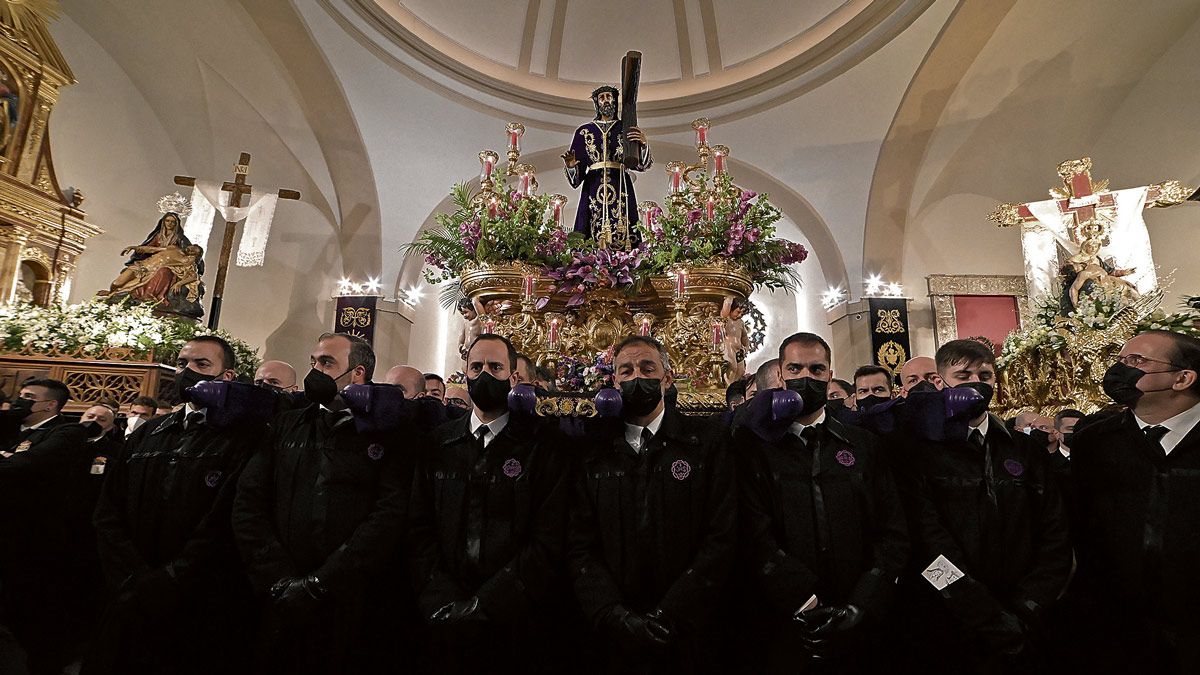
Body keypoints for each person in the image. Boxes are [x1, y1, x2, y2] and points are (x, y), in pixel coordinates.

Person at [233, 333, 412, 673]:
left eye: (327, 363)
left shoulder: (386, 433)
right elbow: (249, 502)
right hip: (280, 592)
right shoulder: (287, 425)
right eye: (313, 362)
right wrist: (278, 577)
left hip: (347, 596)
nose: (315, 371)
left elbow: (388, 512)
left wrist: (324, 581)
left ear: (357, 374)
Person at [894, 338, 1071, 673]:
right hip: (947, 615)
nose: (976, 384)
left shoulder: (1024, 449)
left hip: (1024, 616)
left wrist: (1029, 605)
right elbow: (925, 540)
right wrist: (979, 610)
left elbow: (1054, 531)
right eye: (963, 376)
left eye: (985, 375)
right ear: (939, 381)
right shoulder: (917, 451)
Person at [735, 333, 908, 673]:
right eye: (795, 368)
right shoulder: (756, 449)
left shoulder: (863, 445)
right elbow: (753, 533)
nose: (806, 378)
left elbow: (892, 531)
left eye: (816, 369)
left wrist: (862, 603)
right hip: (787, 619)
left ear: (830, 375)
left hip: (860, 616)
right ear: (781, 376)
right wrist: (805, 600)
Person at [90, 336, 262, 674]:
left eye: (201, 365)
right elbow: (109, 508)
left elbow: (225, 518)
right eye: (183, 363)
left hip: (197, 597)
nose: (187, 372)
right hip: (132, 589)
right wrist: (132, 574)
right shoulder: (150, 432)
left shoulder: (243, 436)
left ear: (226, 377)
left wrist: (172, 576)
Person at [568, 336, 735, 673]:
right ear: (614, 381)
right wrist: (611, 612)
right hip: (612, 629)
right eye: (626, 371)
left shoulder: (705, 441)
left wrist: (675, 610)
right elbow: (578, 542)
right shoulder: (592, 448)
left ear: (667, 378)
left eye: (647, 368)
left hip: (688, 625)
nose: (636, 378)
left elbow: (721, 534)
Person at [408, 334, 570, 672]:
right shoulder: (438, 443)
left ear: (513, 378)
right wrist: (441, 596)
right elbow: (419, 527)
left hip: (513, 617)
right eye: (476, 366)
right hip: (442, 613)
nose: (484, 375)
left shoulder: (543, 445)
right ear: (465, 373)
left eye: (495, 367)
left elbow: (547, 537)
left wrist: (489, 603)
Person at [1069, 330, 1200, 672]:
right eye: (1121, 360)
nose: (1121, 370)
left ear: (1182, 378)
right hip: (1117, 623)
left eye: (1137, 361)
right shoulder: (1096, 440)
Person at [0, 379, 96, 673]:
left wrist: (12, 460)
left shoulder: (66, 431)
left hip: (35, 539)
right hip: (5, 531)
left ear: (50, 405)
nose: (21, 401)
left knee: (32, 613)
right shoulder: (12, 430)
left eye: (28, 397)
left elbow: (28, 465)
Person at [562, 85, 652, 246]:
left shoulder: (625, 128)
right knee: (590, 221)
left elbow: (640, 165)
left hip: (620, 183)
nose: (606, 100)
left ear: (615, 100)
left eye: (609, 97)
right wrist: (571, 166)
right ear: (597, 102)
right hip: (593, 184)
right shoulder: (583, 131)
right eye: (602, 97)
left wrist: (643, 144)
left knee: (624, 220)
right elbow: (576, 179)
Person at [721, 297, 752, 384]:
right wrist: (730, 297)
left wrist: (746, 347)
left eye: (742, 314)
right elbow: (726, 304)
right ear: (731, 308)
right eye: (738, 312)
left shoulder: (741, 322)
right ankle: (728, 386)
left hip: (739, 349)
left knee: (740, 370)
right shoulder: (726, 318)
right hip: (728, 346)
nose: (739, 315)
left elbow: (744, 337)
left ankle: (734, 387)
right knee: (732, 367)